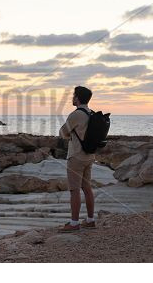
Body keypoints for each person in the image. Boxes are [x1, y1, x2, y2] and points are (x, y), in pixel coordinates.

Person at [58, 86, 96, 232]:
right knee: (87, 188)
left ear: (78, 98)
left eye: (73, 96)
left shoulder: (76, 115)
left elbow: (62, 132)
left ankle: (74, 223)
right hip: (89, 156)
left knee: (74, 190)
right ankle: (90, 220)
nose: (72, 98)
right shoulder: (91, 113)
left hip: (76, 156)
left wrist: (70, 135)